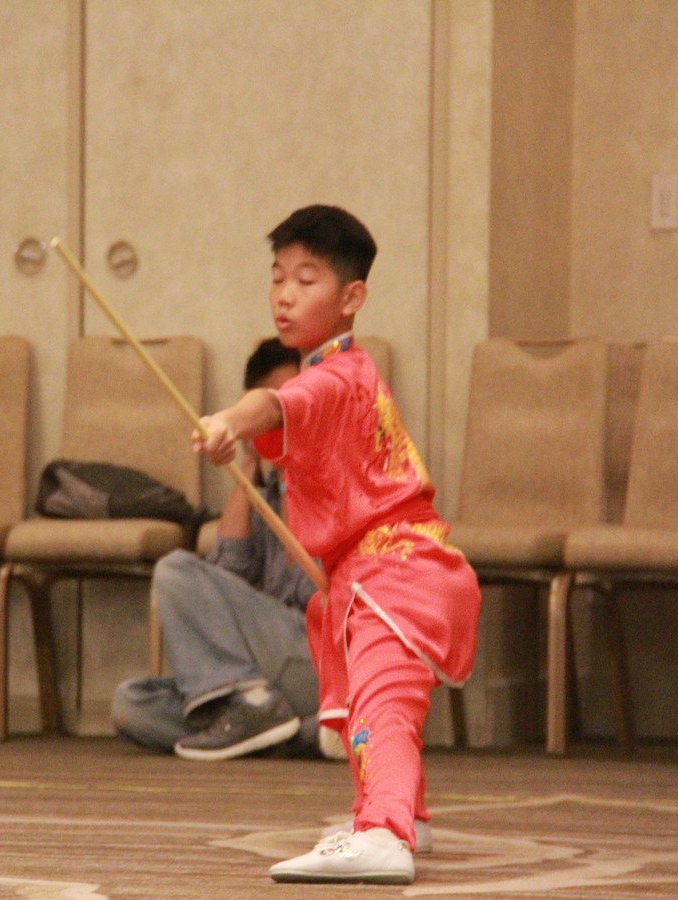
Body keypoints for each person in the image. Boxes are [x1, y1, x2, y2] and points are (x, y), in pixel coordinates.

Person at [192, 205, 481, 885]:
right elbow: (286, 425)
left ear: (351, 297)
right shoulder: (333, 374)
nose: (285, 295)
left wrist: (230, 418)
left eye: (307, 279)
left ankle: (385, 831)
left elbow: (273, 406)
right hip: (375, 568)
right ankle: (401, 813)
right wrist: (240, 438)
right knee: (367, 702)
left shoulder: (338, 375)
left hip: (396, 568)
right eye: (278, 278)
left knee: (382, 703)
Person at [111, 338, 323, 761]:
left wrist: (294, 469)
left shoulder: (331, 482)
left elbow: (312, 592)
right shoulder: (263, 494)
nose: (283, 421)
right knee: (131, 703)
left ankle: (264, 714)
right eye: (274, 412)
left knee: (175, 570)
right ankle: (289, 730)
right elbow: (223, 585)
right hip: (263, 672)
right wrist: (248, 465)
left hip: (315, 661)